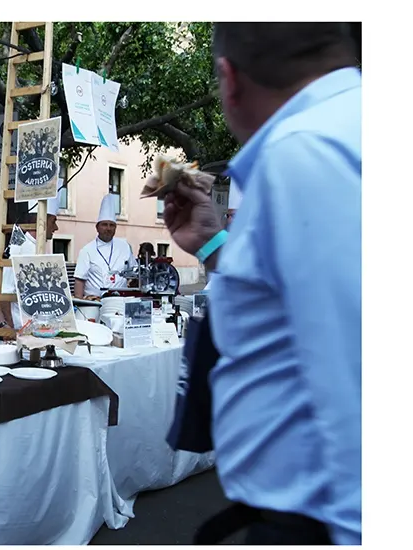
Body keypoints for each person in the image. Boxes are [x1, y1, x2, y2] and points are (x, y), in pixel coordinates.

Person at [164, 23, 360, 545]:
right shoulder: (344, 132)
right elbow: (289, 304)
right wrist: (210, 245)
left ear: (229, 79)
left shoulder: (308, 154)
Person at [0, 195, 60, 329]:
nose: (56, 227)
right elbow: (5, 291)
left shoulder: (40, 248)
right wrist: (9, 326)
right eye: (53, 221)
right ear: (41, 221)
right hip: (20, 326)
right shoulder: (18, 247)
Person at [73, 195, 137, 298]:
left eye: (112, 225)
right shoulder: (87, 250)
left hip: (120, 301)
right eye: (104, 224)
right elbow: (80, 280)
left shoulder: (124, 246)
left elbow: (134, 273)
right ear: (97, 227)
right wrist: (79, 304)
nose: (108, 228)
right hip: (94, 302)